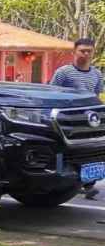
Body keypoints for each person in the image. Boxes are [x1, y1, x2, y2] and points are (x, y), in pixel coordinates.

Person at [50, 37, 104, 198]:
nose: (85, 54)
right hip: (68, 119)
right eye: (82, 51)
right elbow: (51, 93)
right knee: (69, 150)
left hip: (89, 120)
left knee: (89, 150)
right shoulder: (63, 72)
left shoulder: (97, 74)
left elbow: (96, 96)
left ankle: (88, 184)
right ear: (74, 52)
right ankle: (70, 182)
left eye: (89, 51)